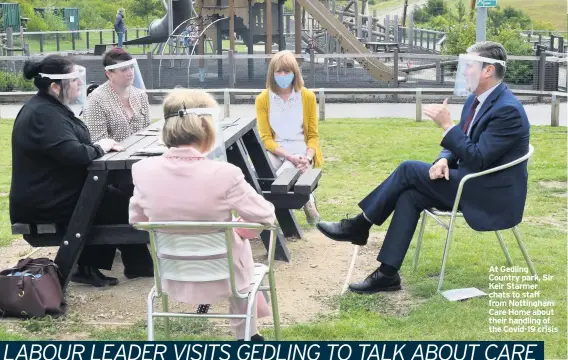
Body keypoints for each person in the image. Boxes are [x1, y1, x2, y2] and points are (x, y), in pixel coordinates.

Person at [316, 41, 531, 294]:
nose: (463, 72)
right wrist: (443, 159)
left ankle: (359, 224)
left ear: (488, 71)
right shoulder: (477, 101)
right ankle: (387, 274)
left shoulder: (508, 111)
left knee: (408, 169)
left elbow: (478, 159)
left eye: (469, 66)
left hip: (488, 194)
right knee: (410, 195)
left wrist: (447, 126)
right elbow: (460, 144)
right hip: (470, 181)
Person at [129, 88, 275, 341]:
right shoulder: (224, 174)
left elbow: (138, 221)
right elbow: (266, 215)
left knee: (234, 242)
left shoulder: (142, 170)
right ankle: (247, 336)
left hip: (172, 274)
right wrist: (240, 229)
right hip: (225, 276)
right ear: (207, 128)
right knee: (238, 247)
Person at [10, 55, 154, 288]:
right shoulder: (43, 114)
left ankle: (132, 264)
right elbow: (73, 154)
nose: (80, 83)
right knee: (117, 204)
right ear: (55, 86)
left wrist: (96, 147)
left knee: (116, 200)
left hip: (56, 191)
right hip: (44, 200)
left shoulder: (50, 108)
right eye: (74, 80)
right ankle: (91, 266)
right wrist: (99, 147)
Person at [255, 50, 323, 225]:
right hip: (275, 148)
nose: (283, 75)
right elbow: (266, 138)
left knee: (287, 170)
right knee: (257, 170)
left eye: (287, 71)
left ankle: (304, 200)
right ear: (272, 73)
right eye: (279, 71)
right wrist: (288, 155)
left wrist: (307, 157)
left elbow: (313, 135)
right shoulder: (263, 99)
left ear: (294, 73)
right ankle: (305, 199)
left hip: (301, 148)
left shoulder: (306, 96)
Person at [83, 48, 150, 143]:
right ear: (109, 74)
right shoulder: (96, 100)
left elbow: (149, 133)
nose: (130, 72)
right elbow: (98, 142)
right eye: (124, 70)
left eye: (131, 67)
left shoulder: (141, 95)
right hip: (112, 157)